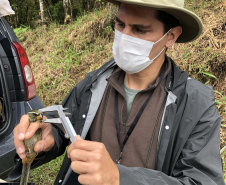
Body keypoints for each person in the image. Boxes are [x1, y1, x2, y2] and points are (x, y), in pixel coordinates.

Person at [13, 0, 225, 184]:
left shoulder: (195, 104)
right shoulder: (94, 83)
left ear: (171, 36)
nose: (124, 37)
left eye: (140, 30)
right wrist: (49, 135)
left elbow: (201, 180)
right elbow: (66, 123)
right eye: (120, 24)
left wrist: (119, 178)